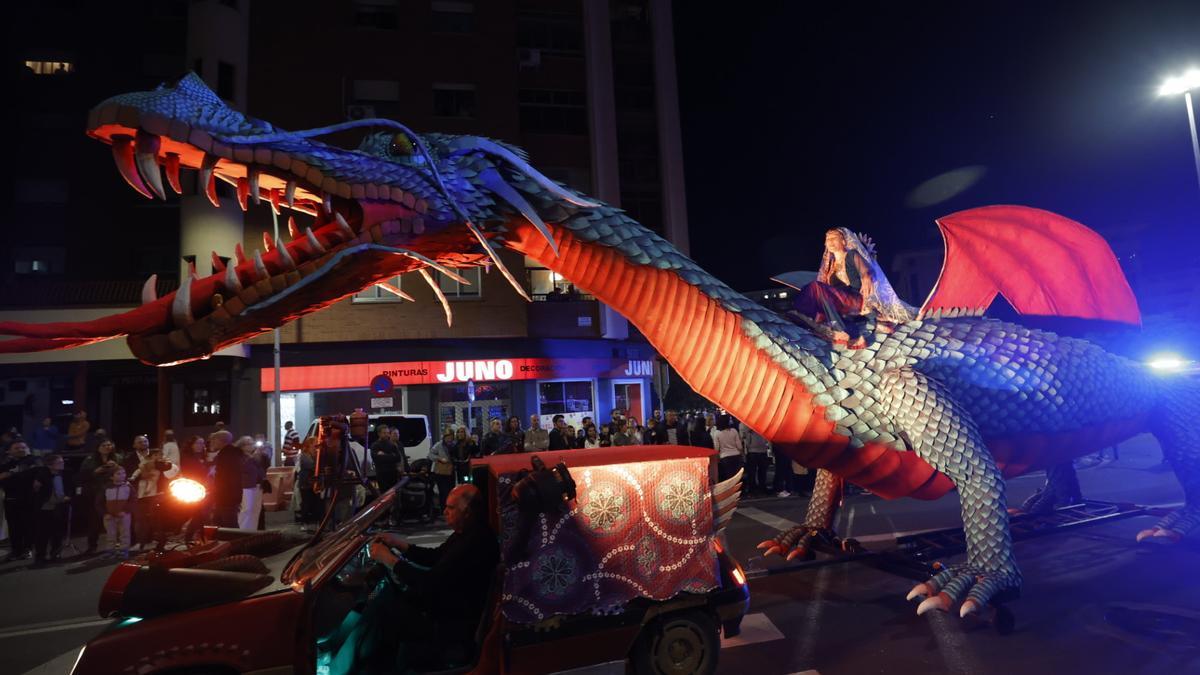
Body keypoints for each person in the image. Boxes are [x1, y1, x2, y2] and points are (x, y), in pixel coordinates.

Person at [339, 484, 498, 672]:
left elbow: (429, 584)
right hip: (444, 609)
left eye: (451, 508)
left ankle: (355, 667)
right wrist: (398, 544)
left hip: (449, 625)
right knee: (382, 603)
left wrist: (389, 560)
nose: (445, 512)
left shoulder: (476, 542)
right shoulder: (464, 533)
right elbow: (435, 556)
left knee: (382, 611)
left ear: (468, 512)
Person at [791, 228, 916, 333]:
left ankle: (836, 326)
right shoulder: (829, 267)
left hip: (856, 299)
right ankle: (806, 318)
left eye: (834, 238)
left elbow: (865, 269)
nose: (830, 242)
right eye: (827, 239)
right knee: (808, 289)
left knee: (815, 286)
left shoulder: (852, 254)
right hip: (839, 303)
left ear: (844, 241)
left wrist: (866, 276)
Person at [78, 440, 122, 554]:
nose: (107, 447)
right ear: (98, 447)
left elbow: (124, 472)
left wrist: (116, 466)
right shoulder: (90, 460)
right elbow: (82, 476)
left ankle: (116, 543)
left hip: (113, 492)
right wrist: (95, 471)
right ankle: (92, 546)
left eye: (109, 445)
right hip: (95, 492)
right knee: (94, 520)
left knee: (114, 518)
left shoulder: (117, 457)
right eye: (104, 445)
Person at [30, 454, 72, 565]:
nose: (62, 464)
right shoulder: (42, 474)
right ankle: (40, 557)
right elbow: (36, 489)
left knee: (58, 532)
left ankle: (55, 554)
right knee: (42, 533)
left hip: (60, 506)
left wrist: (68, 496)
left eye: (62, 461)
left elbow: (70, 486)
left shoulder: (65, 473)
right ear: (50, 465)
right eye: (59, 462)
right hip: (45, 507)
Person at [0, 440, 39, 561]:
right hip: (11, 499)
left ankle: (27, 549)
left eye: (23, 447)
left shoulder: (34, 460)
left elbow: (30, 474)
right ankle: (16, 551)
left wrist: (10, 475)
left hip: (29, 499)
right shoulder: (6, 463)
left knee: (28, 525)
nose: (21, 449)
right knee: (13, 526)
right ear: (10, 451)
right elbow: (2, 478)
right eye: (17, 448)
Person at [131, 447, 173, 549]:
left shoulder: (160, 464)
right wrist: (135, 476)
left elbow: (168, 466)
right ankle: (142, 541)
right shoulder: (144, 463)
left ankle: (157, 541)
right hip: (142, 495)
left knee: (155, 519)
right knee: (142, 519)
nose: (160, 456)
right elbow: (139, 471)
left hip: (154, 495)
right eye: (158, 455)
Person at [211, 429, 242, 528]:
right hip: (226, 495)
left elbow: (227, 477)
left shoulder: (227, 455)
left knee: (229, 524)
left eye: (214, 440)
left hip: (227, 496)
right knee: (218, 522)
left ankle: (234, 543)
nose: (212, 443)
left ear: (220, 440)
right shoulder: (232, 453)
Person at [234, 436, 266, 530]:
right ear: (242, 446)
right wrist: (253, 458)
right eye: (249, 443)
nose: (252, 445)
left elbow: (262, 469)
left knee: (256, 510)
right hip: (246, 486)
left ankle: (252, 530)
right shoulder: (240, 456)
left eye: (252, 442)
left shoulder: (254, 456)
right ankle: (243, 530)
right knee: (247, 509)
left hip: (257, 485)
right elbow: (243, 468)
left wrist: (260, 456)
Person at [103, 466, 133, 558]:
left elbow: (133, 501)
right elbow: (99, 502)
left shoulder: (128, 487)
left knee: (124, 533)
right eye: (118, 474)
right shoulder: (106, 488)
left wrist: (125, 511)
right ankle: (110, 550)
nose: (122, 476)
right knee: (110, 533)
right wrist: (105, 513)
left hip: (124, 515)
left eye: (123, 473)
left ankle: (123, 550)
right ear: (111, 477)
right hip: (109, 516)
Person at [371, 425, 405, 494]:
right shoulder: (375, 445)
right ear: (379, 434)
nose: (386, 434)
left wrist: (384, 455)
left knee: (393, 494)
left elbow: (398, 458)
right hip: (382, 475)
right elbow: (377, 459)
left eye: (387, 433)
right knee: (384, 495)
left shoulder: (392, 445)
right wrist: (391, 456)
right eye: (384, 433)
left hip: (393, 475)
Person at [428, 432, 456, 512]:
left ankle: (450, 508)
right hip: (441, 472)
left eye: (451, 437)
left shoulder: (454, 445)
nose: (449, 438)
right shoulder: (439, 445)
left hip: (450, 471)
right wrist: (440, 458)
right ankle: (443, 509)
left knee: (450, 490)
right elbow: (430, 455)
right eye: (447, 436)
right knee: (443, 491)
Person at [741, 425, 771, 495]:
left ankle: (752, 489)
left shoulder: (748, 428)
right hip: (762, 450)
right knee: (762, 471)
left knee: (752, 472)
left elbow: (747, 442)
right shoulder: (763, 427)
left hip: (752, 451)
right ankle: (762, 487)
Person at [715, 415, 745, 482]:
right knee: (738, 476)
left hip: (725, 457)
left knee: (729, 477)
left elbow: (716, 448)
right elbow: (739, 446)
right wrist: (742, 455)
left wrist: (717, 458)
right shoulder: (734, 431)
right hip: (736, 456)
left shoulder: (717, 433)